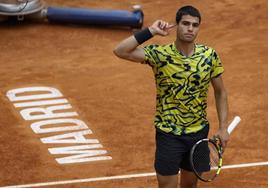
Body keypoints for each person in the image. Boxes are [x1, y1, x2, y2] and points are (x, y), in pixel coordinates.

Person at [113, 5, 229, 188]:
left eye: (195, 25)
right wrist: (150, 31)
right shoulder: (160, 54)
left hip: (198, 134)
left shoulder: (209, 56)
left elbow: (220, 91)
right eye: (185, 23)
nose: (190, 28)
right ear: (176, 25)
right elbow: (120, 50)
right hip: (169, 135)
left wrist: (223, 127)